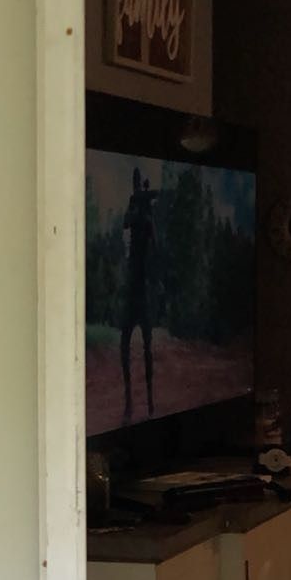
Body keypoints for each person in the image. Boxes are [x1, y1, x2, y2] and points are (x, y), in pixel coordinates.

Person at [120, 167, 160, 423]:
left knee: (145, 348)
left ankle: (148, 400)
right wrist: (138, 203)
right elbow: (126, 222)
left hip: (141, 290)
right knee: (127, 346)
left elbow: (153, 242)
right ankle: (133, 403)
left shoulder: (146, 217)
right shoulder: (136, 210)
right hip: (135, 290)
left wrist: (145, 207)